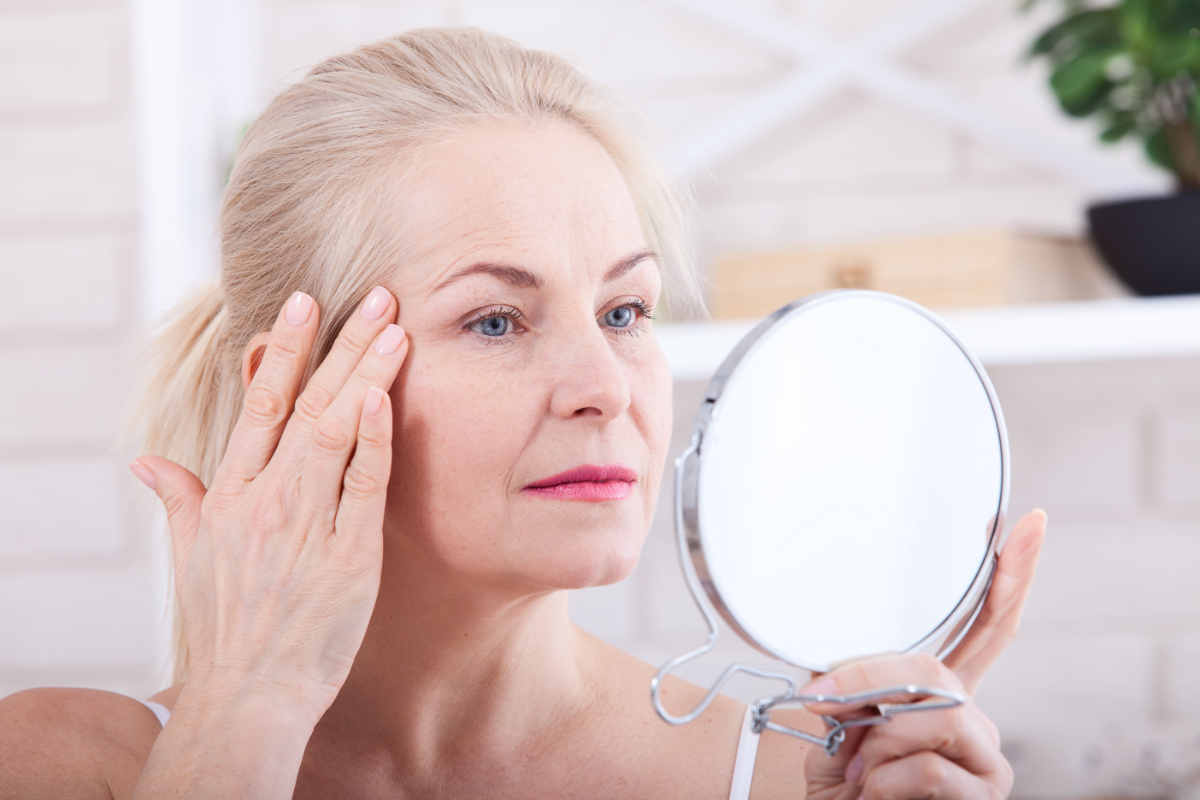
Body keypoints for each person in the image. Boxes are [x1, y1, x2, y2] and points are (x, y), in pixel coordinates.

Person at [0, 27, 1046, 799]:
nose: (607, 382)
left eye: (625, 309)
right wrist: (243, 716)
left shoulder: (796, 778)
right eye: (497, 320)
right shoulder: (64, 765)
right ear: (301, 386)